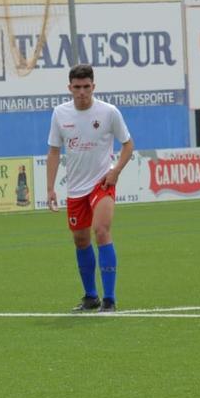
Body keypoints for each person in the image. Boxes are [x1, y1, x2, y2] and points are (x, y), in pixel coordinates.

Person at [46, 64, 134, 312]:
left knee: (102, 230)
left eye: (86, 87)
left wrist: (115, 171)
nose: (82, 92)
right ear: (69, 88)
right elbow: (53, 151)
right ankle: (90, 296)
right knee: (81, 239)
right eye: (77, 87)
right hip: (75, 189)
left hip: (101, 183)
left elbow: (128, 145)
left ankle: (110, 299)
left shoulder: (109, 112)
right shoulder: (60, 114)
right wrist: (50, 188)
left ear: (94, 87)